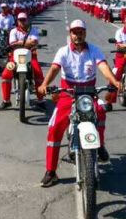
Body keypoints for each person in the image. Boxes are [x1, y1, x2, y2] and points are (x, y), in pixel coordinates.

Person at [37, 19, 121, 187]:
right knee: (54, 129)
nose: (78, 35)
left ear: (85, 33)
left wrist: (115, 81)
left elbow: (103, 66)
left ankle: (100, 145)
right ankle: (51, 171)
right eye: (75, 32)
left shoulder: (94, 50)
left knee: (101, 112)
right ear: (71, 34)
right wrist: (44, 84)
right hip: (68, 94)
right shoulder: (63, 52)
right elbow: (54, 68)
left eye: (80, 32)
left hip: (89, 94)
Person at [0, 12, 45, 111]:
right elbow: (12, 44)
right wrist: (26, 43)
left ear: (27, 20)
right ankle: (6, 101)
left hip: (31, 56)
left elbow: (34, 42)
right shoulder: (13, 31)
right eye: (20, 20)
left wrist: (19, 43)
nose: (22, 22)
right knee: (5, 75)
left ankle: (41, 100)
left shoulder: (33, 30)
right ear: (17, 21)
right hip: (14, 58)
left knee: (39, 75)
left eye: (24, 19)